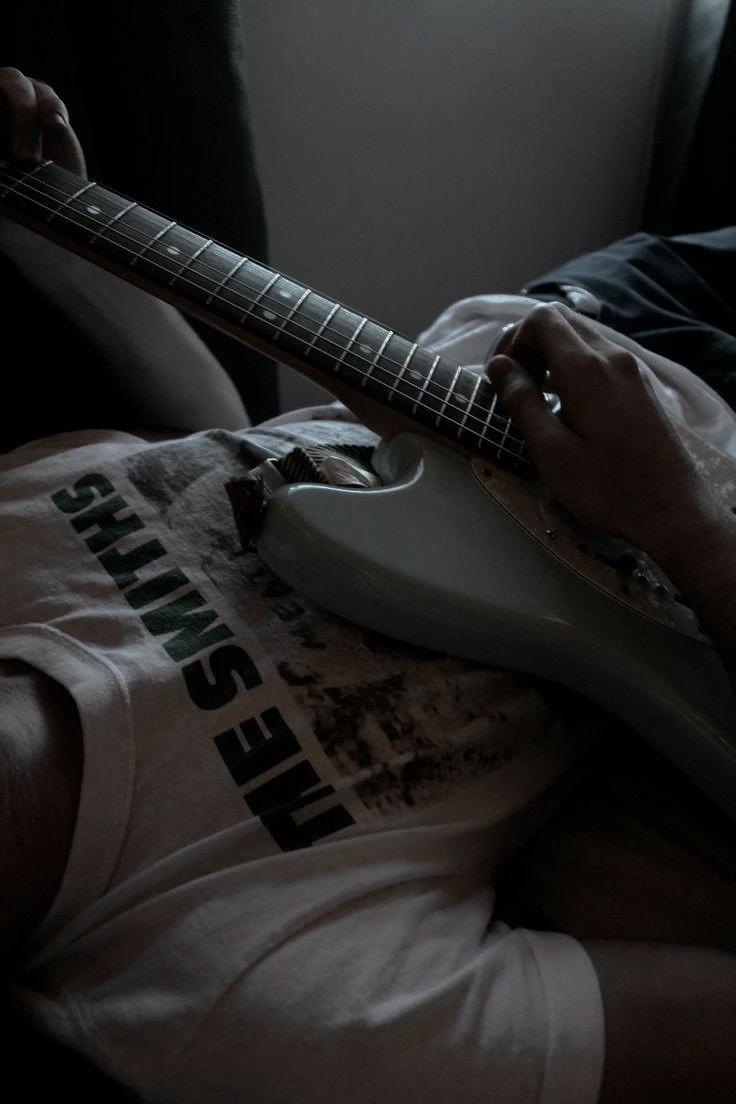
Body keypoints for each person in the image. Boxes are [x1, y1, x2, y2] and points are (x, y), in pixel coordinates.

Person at [1, 67, 735, 1104]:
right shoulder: (257, 1007)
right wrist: (687, 524)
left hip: (582, 325)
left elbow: (226, 441)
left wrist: (56, 232)